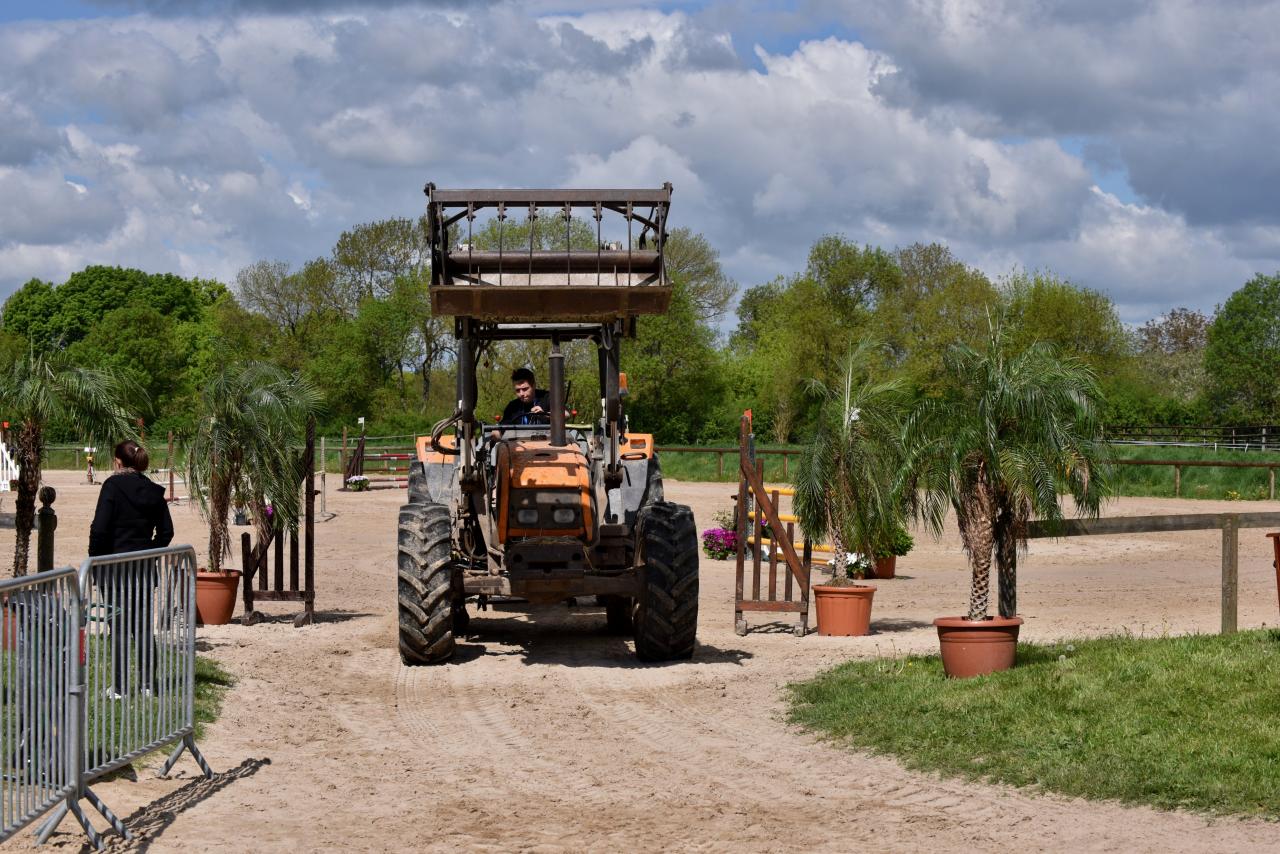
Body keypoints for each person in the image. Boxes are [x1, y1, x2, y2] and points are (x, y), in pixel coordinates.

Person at [88, 440, 174, 698]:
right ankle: (148, 684)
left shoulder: (112, 486)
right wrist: (149, 549)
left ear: (118, 461)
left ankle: (120, 687)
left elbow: (100, 528)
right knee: (144, 627)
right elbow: (167, 532)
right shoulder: (153, 490)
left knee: (120, 628)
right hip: (144, 569)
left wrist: (96, 560)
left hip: (115, 567)